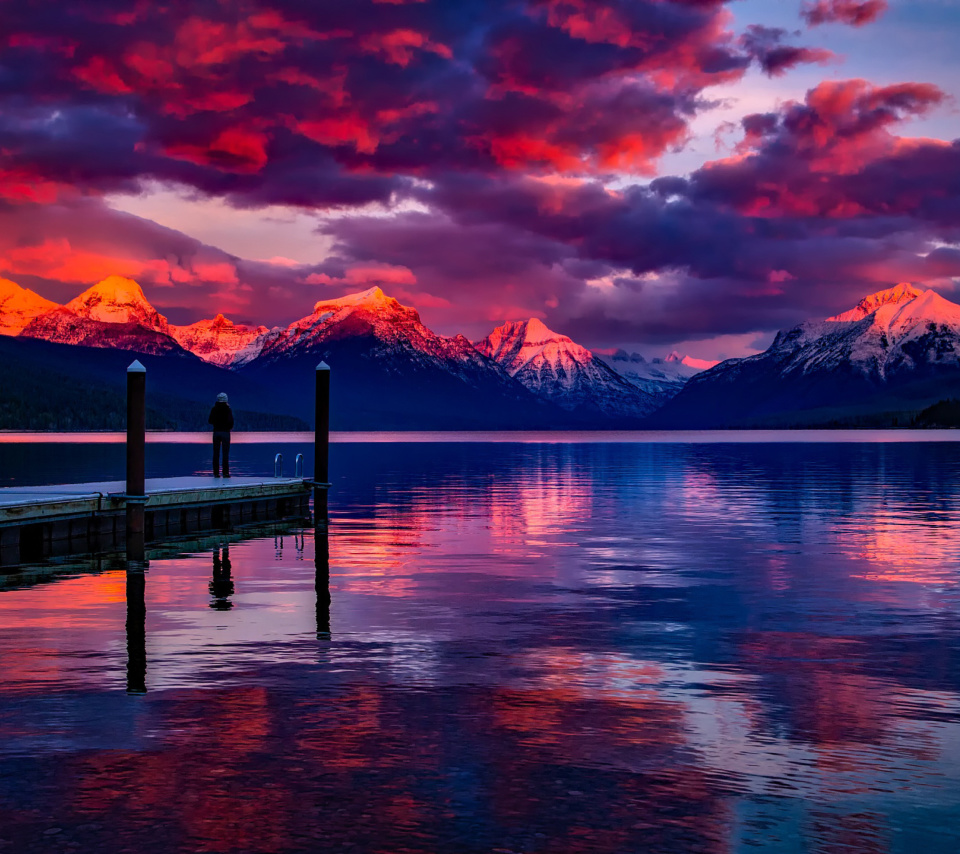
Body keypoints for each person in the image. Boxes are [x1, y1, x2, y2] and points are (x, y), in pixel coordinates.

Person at [208, 392, 234, 478]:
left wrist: (217, 423)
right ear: (226, 400)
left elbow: (210, 421)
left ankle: (216, 473)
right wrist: (228, 427)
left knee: (216, 453)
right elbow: (231, 422)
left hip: (216, 432)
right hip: (225, 433)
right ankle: (225, 473)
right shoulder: (228, 409)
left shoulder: (214, 409)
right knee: (225, 453)